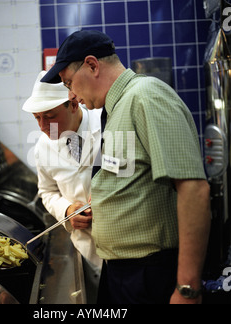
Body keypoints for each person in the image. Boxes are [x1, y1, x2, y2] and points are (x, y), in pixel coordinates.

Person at [41, 30, 211, 304]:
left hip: (149, 273)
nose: (72, 94)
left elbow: (194, 189)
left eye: (70, 83)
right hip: (121, 271)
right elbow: (128, 176)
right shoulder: (115, 109)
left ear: (92, 65)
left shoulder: (146, 97)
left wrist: (187, 288)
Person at [22, 71, 102, 303]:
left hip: (122, 246)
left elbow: (128, 176)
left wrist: (107, 200)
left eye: (49, 116)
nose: (42, 126)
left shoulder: (107, 125)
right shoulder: (42, 147)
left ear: (74, 104)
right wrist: (67, 211)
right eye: (37, 118)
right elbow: (47, 191)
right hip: (86, 249)